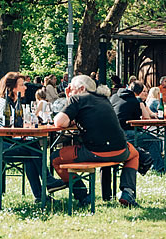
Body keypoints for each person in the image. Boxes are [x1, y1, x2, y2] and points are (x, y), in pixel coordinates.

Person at [54, 75, 141, 207]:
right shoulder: (104, 99)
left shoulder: (77, 98)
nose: (68, 90)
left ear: (81, 88)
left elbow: (59, 122)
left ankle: (82, 195)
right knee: (134, 154)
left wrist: (68, 98)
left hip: (96, 152)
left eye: (70, 88)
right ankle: (128, 192)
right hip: (121, 150)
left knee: (55, 158)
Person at [0, 72, 65, 204]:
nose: (25, 87)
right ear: (12, 88)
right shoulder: (2, 103)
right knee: (32, 149)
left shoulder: (10, 103)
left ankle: (42, 195)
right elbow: (13, 125)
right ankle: (48, 183)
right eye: (21, 85)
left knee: (31, 147)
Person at [111, 81, 161, 172]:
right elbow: (140, 120)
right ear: (139, 92)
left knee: (148, 139)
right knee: (154, 141)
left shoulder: (114, 97)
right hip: (125, 133)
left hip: (111, 134)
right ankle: (159, 169)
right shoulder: (134, 101)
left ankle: (149, 163)